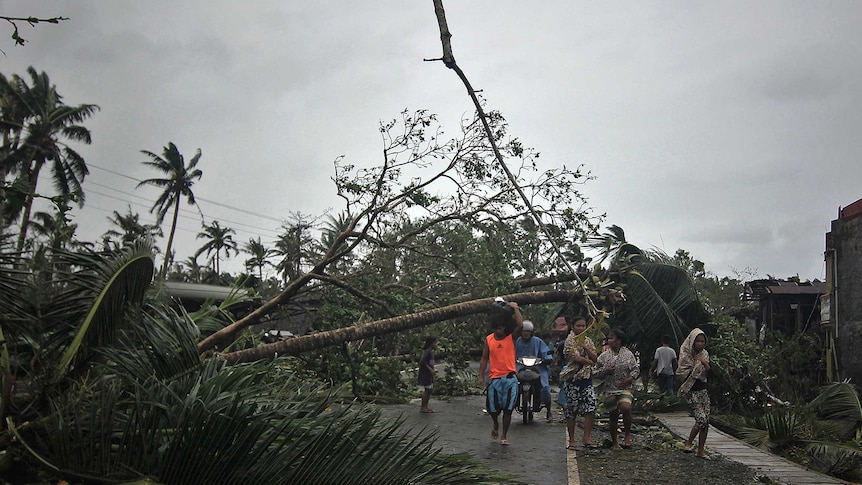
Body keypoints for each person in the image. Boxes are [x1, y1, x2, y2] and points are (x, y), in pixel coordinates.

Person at [479, 299, 523, 446]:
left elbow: (521, 325)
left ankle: (504, 435)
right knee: (493, 409)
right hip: (495, 379)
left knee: (508, 409)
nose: (499, 331)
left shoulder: (511, 338)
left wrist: (515, 309)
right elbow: (484, 357)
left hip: (510, 378)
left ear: (505, 328)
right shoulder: (489, 340)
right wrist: (481, 375)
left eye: (501, 328)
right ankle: (495, 424)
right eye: (496, 328)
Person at [594, 327, 640, 449]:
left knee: (626, 407)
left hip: (625, 387)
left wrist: (630, 379)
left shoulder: (628, 355)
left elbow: (635, 370)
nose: (609, 340)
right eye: (608, 338)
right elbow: (595, 372)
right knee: (613, 415)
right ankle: (615, 442)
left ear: (618, 340)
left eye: (611, 338)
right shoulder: (603, 356)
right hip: (609, 388)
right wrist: (605, 370)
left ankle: (627, 435)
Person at [561, 315, 598, 450]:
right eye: (578, 326)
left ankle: (586, 438)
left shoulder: (588, 341)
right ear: (573, 327)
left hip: (586, 379)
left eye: (583, 326)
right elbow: (575, 358)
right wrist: (589, 361)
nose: (581, 328)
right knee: (572, 410)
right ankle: (571, 440)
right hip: (572, 379)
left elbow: (595, 357)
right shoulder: (569, 341)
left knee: (591, 407)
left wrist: (586, 349)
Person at [677, 328, 712, 460]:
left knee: (705, 421)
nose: (700, 344)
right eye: (697, 341)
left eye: (702, 341)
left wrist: (701, 362)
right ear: (692, 341)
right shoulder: (685, 354)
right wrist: (693, 366)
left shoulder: (705, 354)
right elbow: (681, 373)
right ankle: (689, 442)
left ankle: (700, 450)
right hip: (691, 390)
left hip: (703, 390)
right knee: (701, 419)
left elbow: (708, 369)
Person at [515, 320, 553, 420]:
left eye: (528, 331)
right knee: (512, 382)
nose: (526, 333)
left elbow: (546, 352)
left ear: (532, 332)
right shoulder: (516, 341)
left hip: (537, 367)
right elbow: (510, 353)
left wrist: (547, 359)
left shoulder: (538, 341)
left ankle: (548, 409)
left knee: (544, 386)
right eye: (524, 331)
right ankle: (510, 403)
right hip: (520, 366)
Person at [418, 336, 438, 413]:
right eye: (435, 343)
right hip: (426, 374)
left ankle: (426, 406)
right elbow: (422, 362)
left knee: (429, 390)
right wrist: (430, 369)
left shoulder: (431, 352)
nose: (436, 345)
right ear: (431, 344)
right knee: (427, 390)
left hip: (429, 374)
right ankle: (423, 407)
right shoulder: (427, 352)